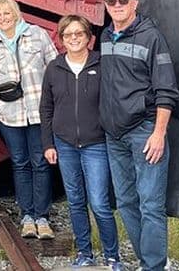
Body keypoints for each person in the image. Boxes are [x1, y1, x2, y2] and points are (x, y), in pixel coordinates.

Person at [99, 0, 179, 271]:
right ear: (107, 6)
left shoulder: (151, 37)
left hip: (144, 132)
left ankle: (154, 265)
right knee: (126, 202)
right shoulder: (106, 36)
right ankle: (149, 261)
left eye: (123, 0)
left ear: (135, 3)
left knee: (151, 205)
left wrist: (159, 133)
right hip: (114, 135)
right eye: (112, 1)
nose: (117, 5)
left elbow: (166, 89)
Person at [40, 15, 122, 270]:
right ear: (61, 39)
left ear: (89, 37)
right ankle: (85, 253)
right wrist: (48, 144)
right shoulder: (54, 67)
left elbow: (114, 101)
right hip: (64, 143)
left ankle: (112, 256)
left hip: (95, 143)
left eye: (79, 34)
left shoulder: (102, 64)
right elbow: (46, 108)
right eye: (68, 35)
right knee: (75, 201)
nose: (74, 39)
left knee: (98, 202)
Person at [0, 0, 58, 239]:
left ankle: (42, 217)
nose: (3, 18)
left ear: (15, 13)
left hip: (38, 111)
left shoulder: (37, 34)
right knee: (20, 163)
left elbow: (54, 66)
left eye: (7, 13)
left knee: (40, 162)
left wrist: (52, 102)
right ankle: (27, 215)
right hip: (10, 113)